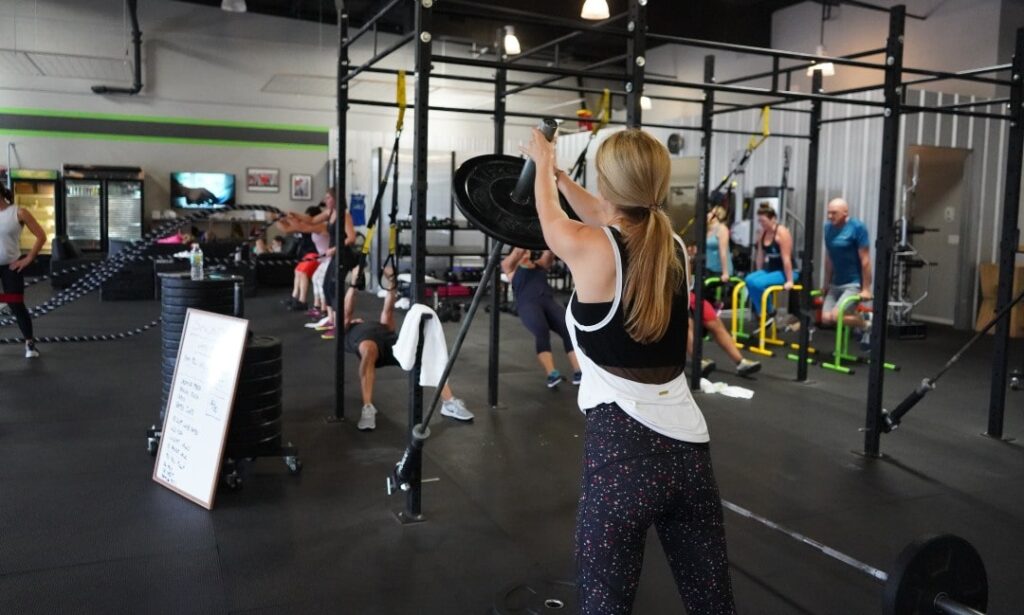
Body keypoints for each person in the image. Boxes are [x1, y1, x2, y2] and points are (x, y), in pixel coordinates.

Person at [523, 128, 734, 613]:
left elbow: (549, 219)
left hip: (622, 456)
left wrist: (541, 162)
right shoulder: (673, 247)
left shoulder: (589, 247)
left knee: (605, 605)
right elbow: (609, 214)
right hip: (690, 456)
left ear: (606, 181)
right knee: (713, 604)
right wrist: (557, 176)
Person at [344, 269, 474, 431]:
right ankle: (368, 408)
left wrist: (392, 281)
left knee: (425, 349)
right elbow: (347, 311)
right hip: (369, 348)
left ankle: (448, 402)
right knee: (369, 348)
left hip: (393, 346)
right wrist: (353, 285)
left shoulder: (381, 326)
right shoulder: (349, 329)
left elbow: (388, 309)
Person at [501, 247, 581, 388]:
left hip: (548, 302)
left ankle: (579, 372)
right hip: (528, 306)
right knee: (542, 332)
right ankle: (552, 374)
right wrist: (523, 239)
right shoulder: (510, 267)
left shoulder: (540, 264)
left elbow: (549, 251)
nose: (526, 252)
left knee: (569, 329)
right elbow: (518, 252)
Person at [0, 183, 46, 358]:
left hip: (11, 265)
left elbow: (41, 236)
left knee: (16, 304)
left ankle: (30, 344)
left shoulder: (18, 213)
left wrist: (28, 258)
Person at [822, 197, 873, 350]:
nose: (830, 217)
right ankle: (862, 319)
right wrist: (826, 283)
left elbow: (865, 260)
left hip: (854, 283)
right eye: (828, 213)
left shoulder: (857, 227)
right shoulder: (827, 228)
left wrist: (866, 289)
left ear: (845, 213)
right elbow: (829, 258)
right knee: (825, 318)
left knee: (836, 316)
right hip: (836, 282)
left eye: (834, 213)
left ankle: (866, 324)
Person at [743, 204, 798, 321]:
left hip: (788, 271)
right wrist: (758, 273)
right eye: (760, 221)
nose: (761, 224)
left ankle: (767, 311)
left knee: (757, 283)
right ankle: (764, 312)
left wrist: (790, 281)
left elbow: (786, 258)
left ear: (773, 219)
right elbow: (760, 256)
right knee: (749, 280)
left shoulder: (782, 233)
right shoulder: (763, 233)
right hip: (772, 270)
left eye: (763, 221)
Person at [276, 205, 325, 311]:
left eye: (308, 217)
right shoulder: (304, 226)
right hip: (306, 255)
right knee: (297, 271)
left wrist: (289, 217)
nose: (305, 218)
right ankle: (295, 297)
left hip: (315, 255)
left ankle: (302, 301)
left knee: (303, 273)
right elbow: (286, 228)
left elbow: (296, 225)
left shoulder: (314, 227)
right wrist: (278, 219)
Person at [705, 204, 733, 284]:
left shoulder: (722, 229)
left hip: (718, 270)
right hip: (708, 269)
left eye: (710, 212)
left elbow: (723, 252)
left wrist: (725, 273)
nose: (707, 214)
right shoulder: (707, 229)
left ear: (716, 216)